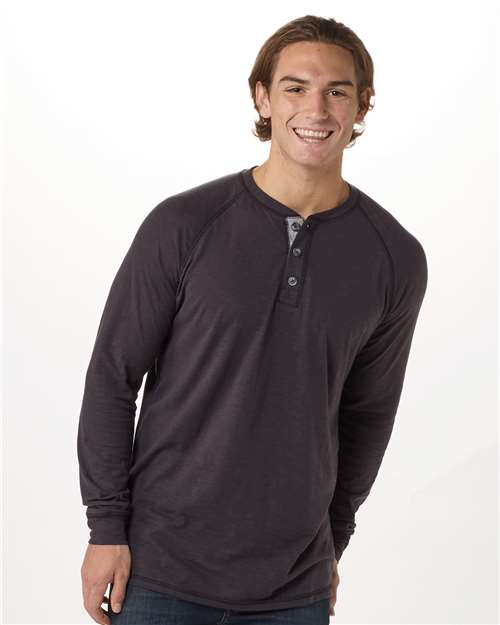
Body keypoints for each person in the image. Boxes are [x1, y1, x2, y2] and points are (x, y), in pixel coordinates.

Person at [77, 14, 428, 625]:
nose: (315, 109)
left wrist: (333, 543)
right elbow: (113, 376)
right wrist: (106, 528)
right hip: (157, 570)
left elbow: (368, 414)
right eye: (295, 87)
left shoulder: (394, 258)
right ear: (263, 97)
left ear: (362, 105)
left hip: (294, 586)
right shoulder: (183, 225)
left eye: (337, 91)